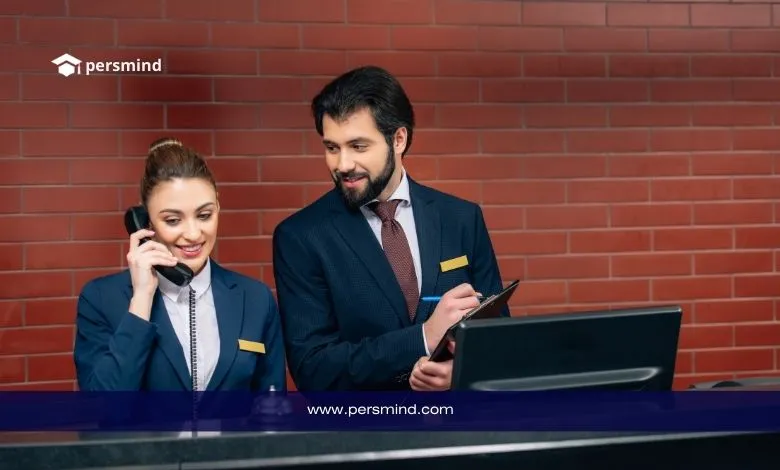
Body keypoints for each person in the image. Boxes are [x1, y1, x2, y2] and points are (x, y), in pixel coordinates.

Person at [272, 65, 509, 392]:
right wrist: (423, 338)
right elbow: (314, 369)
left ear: (398, 139)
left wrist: (462, 372)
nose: (342, 164)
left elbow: (498, 335)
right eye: (331, 147)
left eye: (358, 146)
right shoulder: (300, 237)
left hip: (457, 430)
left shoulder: (461, 218)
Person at [74, 138, 286, 393]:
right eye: (173, 220)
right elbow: (102, 409)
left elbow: (273, 409)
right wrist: (141, 299)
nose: (193, 234)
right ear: (146, 223)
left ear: (218, 205)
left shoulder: (256, 298)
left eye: (204, 215)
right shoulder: (101, 298)